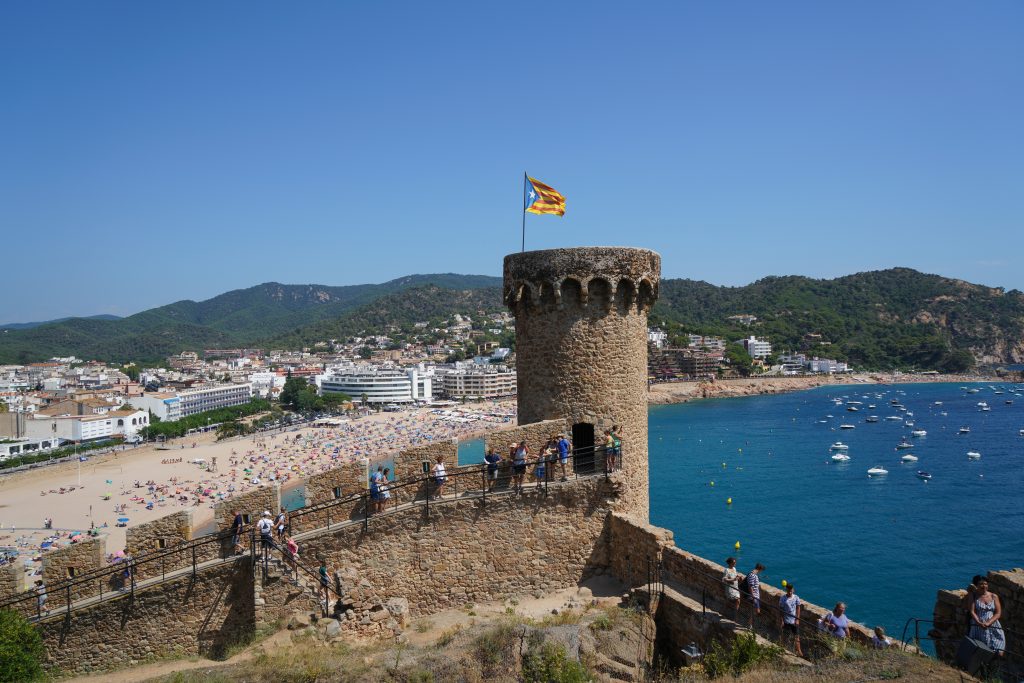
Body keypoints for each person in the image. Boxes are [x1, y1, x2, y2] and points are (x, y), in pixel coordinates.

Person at [969, 578, 1006, 656]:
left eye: (985, 584)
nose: (984, 586)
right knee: (980, 650)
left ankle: (994, 666)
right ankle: (984, 667)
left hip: (993, 625)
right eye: (981, 584)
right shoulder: (974, 596)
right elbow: (972, 611)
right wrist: (979, 623)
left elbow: (998, 613)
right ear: (976, 586)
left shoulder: (994, 596)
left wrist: (989, 622)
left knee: (999, 651)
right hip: (978, 626)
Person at [779, 583, 803, 657]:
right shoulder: (783, 598)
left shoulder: (796, 598)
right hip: (786, 621)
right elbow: (781, 610)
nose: (790, 592)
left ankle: (799, 652)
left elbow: (798, 608)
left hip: (794, 621)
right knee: (785, 636)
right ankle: (782, 649)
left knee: (797, 636)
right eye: (788, 591)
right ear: (786, 590)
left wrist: (797, 619)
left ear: (793, 590)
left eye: (791, 591)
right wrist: (782, 620)